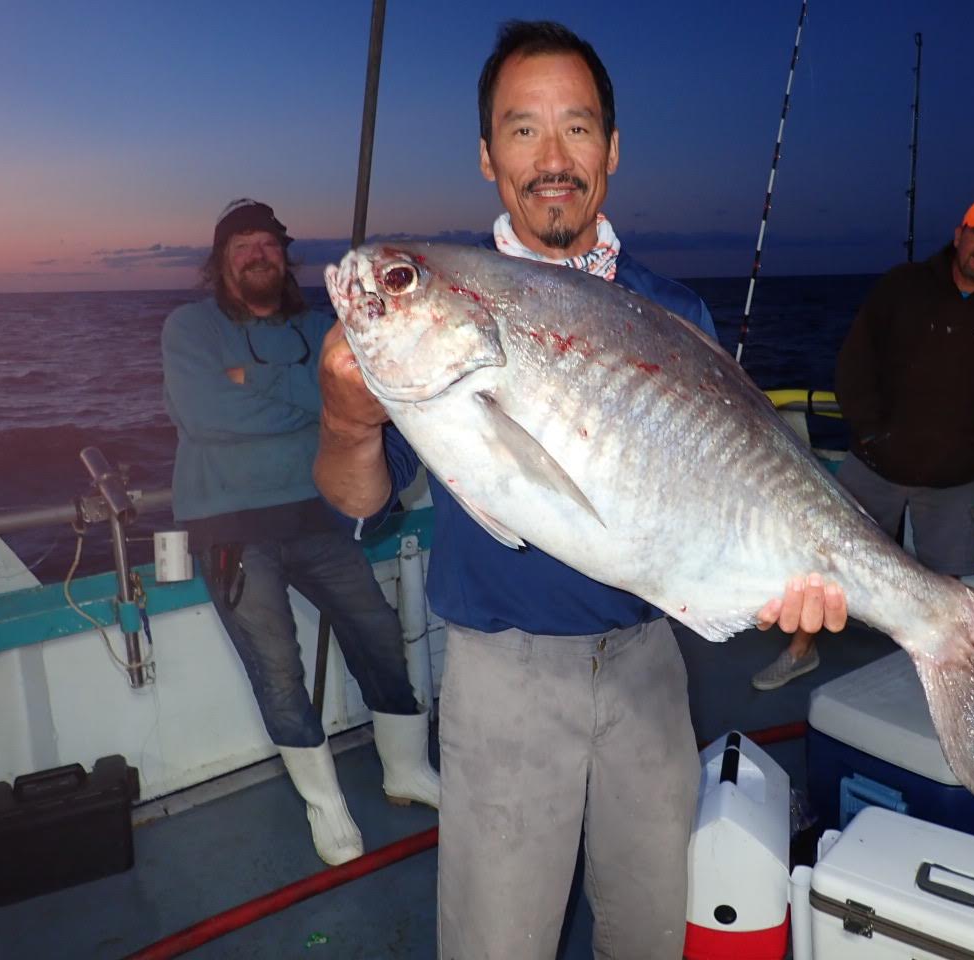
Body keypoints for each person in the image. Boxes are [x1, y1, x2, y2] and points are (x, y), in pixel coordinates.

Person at [313, 21, 846, 960]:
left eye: (578, 128)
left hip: (650, 663)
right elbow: (359, 502)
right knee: (499, 941)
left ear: (611, 148)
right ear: (486, 155)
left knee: (648, 930)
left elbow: (725, 494)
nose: (552, 158)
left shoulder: (673, 309)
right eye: (523, 130)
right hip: (504, 674)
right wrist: (349, 418)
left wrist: (795, 580)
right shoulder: (441, 318)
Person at [161, 199, 440, 867]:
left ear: (283, 257)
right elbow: (204, 414)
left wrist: (255, 380)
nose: (258, 254)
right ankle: (326, 803)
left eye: (268, 244)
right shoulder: (188, 328)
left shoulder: (322, 324)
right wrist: (311, 394)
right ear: (221, 260)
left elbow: (366, 396)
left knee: (377, 633)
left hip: (318, 513)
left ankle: (405, 771)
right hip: (230, 526)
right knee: (279, 667)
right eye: (242, 245)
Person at [753, 195, 974, 692]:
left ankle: (945, 676)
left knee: (947, 587)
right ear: (959, 234)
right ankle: (801, 650)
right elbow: (854, 364)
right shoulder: (902, 286)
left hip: (956, 479)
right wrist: (870, 433)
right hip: (875, 465)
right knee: (823, 563)